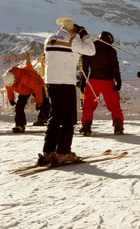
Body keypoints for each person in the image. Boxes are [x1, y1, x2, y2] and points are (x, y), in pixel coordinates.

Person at [38, 17, 96, 166]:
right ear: (72, 29)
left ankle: (48, 151)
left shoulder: (49, 38)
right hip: (65, 82)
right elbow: (91, 50)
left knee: (55, 116)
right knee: (69, 119)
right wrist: (85, 35)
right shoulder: (71, 40)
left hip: (50, 81)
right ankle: (63, 152)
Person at [79, 31, 124, 136]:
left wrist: (83, 82)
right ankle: (118, 126)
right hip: (108, 81)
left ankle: (86, 126)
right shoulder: (111, 50)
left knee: (89, 105)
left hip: (93, 81)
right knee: (114, 105)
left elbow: (84, 67)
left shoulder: (90, 48)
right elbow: (115, 68)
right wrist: (118, 81)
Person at [4, 63, 50, 133]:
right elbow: (9, 91)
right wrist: (11, 99)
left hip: (37, 85)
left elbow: (37, 88)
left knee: (44, 102)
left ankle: (48, 121)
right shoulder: (9, 82)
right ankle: (20, 125)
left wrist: (39, 102)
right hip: (24, 89)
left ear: (15, 77)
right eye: (13, 84)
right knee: (19, 106)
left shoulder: (25, 77)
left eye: (14, 82)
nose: (14, 84)